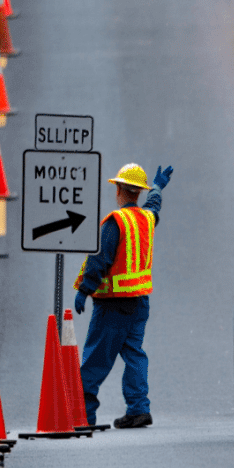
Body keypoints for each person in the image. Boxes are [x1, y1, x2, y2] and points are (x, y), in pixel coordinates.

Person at [73, 163, 173, 429]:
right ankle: (139, 408)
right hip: (139, 302)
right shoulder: (147, 218)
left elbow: (100, 259)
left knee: (96, 358)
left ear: (118, 189)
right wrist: (158, 187)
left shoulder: (115, 222)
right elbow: (154, 206)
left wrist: (84, 290)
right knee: (134, 354)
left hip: (113, 303)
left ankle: (85, 415)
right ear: (138, 192)